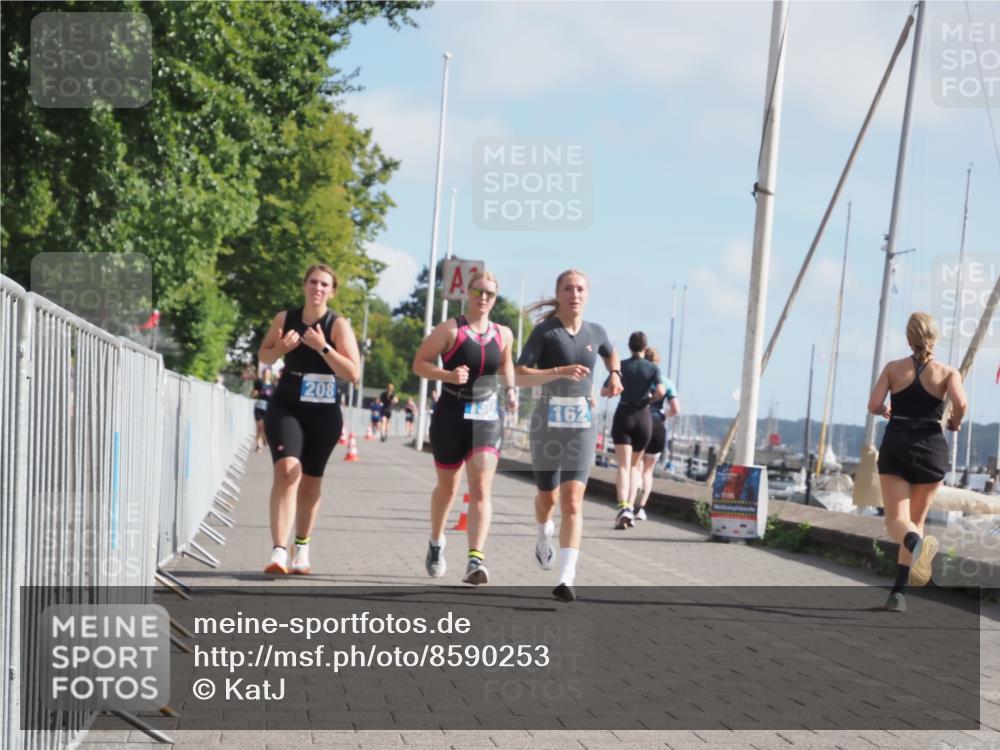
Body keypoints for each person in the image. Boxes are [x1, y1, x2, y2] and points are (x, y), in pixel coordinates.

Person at [515, 269, 622, 602]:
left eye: (580, 289)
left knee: (573, 500)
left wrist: (615, 374)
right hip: (547, 423)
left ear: (587, 295)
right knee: (547, 499)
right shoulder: (545, 333)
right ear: (558, 294)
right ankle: (544, 532)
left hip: (582, 426)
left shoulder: (596, 331)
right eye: (568, 289)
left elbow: (609, 351)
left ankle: (566, 577)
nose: (574, 294)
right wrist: (559, 372)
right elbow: (519, 375)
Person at [412, 271, 516, 585]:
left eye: (490, 294)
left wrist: (511, 389)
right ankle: (436, 541)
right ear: (468, 294)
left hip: (486, 414)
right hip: (451, 413)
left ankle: (475, 560)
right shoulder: (449, 330)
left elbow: (505, 363)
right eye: (478, 292)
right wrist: (447, 375)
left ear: (495, 299)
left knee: (481, 488)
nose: (483, 298)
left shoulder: (504, 334)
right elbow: (419, 363)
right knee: (448, 488)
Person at [257, 264, 360, 575]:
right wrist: (280, 348)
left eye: (324, 284)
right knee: (288, 470)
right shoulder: (285, 318)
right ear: (304, 285)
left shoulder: (337, 324)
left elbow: (353, 373)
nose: (318, 288)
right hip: (287, 404)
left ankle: (301, 547)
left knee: (312, 480)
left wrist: (323, 347)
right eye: (313, 282)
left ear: (332, 291)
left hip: (324, 411)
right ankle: (278, 550)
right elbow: (264, 356)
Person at [867, 312, 967, 613]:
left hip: (897, 443)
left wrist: (885, 410)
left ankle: (914, 548)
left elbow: (873, 405)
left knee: (896, 521)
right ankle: (898, 594)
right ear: (935, 337)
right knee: (916, 522)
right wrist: (955, 422)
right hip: (931, 448)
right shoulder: (948, 372)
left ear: (908, 338)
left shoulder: (893, 369)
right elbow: (961, 404)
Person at [604, 331, 665, 530]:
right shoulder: (652, 368)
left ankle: (622, 507)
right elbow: (661, 391)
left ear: (630, 346)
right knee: (634, 466)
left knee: (622, 466)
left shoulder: (621, 366)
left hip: (624, 414)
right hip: (643, 416)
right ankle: (630, 507)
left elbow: (605, 391)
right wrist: (649, 399)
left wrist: (617, 390)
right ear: (645, 347)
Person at [633, 347, 680, 520]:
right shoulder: (667, 382)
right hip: (658, 424)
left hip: (639, 421)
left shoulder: (638, 380)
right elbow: (676, 409)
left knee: (635, 467)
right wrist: (663, 415)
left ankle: (630, 504)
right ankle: (641, 508)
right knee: (648, 471)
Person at [251, 368, 275, 453]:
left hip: (268, 409)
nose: (266, 375)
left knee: (265, 428)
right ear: (263, 374)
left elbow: (275, 398)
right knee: (259, 428)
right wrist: (254, 393)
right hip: (259, 407)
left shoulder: (273, 386)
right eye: (265, 373)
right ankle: (258, 446)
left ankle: (264, 438)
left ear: (270, 375)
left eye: (268, 373)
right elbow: (252, 394)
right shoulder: (259, 383)